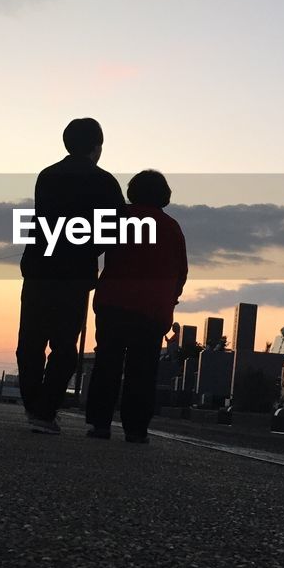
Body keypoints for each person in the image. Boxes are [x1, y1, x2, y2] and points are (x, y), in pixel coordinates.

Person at [17, 118, 124, 434]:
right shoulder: (105, 183)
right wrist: (91, 248)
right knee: (65, 346)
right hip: (75, 273)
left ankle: (34, 405)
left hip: (38, 268)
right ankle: (45, 410)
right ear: (96, 147)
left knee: (30, 341)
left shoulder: (47, 176)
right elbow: (114, 229)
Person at [85, 169, 188, 443]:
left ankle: (100, 423)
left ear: (132, 192)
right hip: (153, 311)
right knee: (143, 370)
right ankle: (136, 428)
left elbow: (93, 247)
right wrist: (170, 298)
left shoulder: (120, 217)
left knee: (107, 362)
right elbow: (181, 272)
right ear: (164, 195)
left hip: (114, 303)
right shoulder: (172, 227)